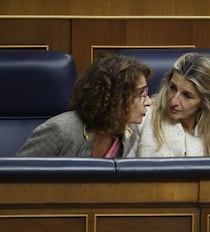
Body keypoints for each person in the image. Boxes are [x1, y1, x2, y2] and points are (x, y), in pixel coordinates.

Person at [17, 53, 152, 157]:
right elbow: (14, 177)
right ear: (116, 98)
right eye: (141, 94)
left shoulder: (129, 133)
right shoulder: (60, 131)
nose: (148, 102)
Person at [137, 52, 210, 157]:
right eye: (172, 88)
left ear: (205, 102)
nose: (174, 101)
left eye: (187, 96)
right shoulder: (142, 118)